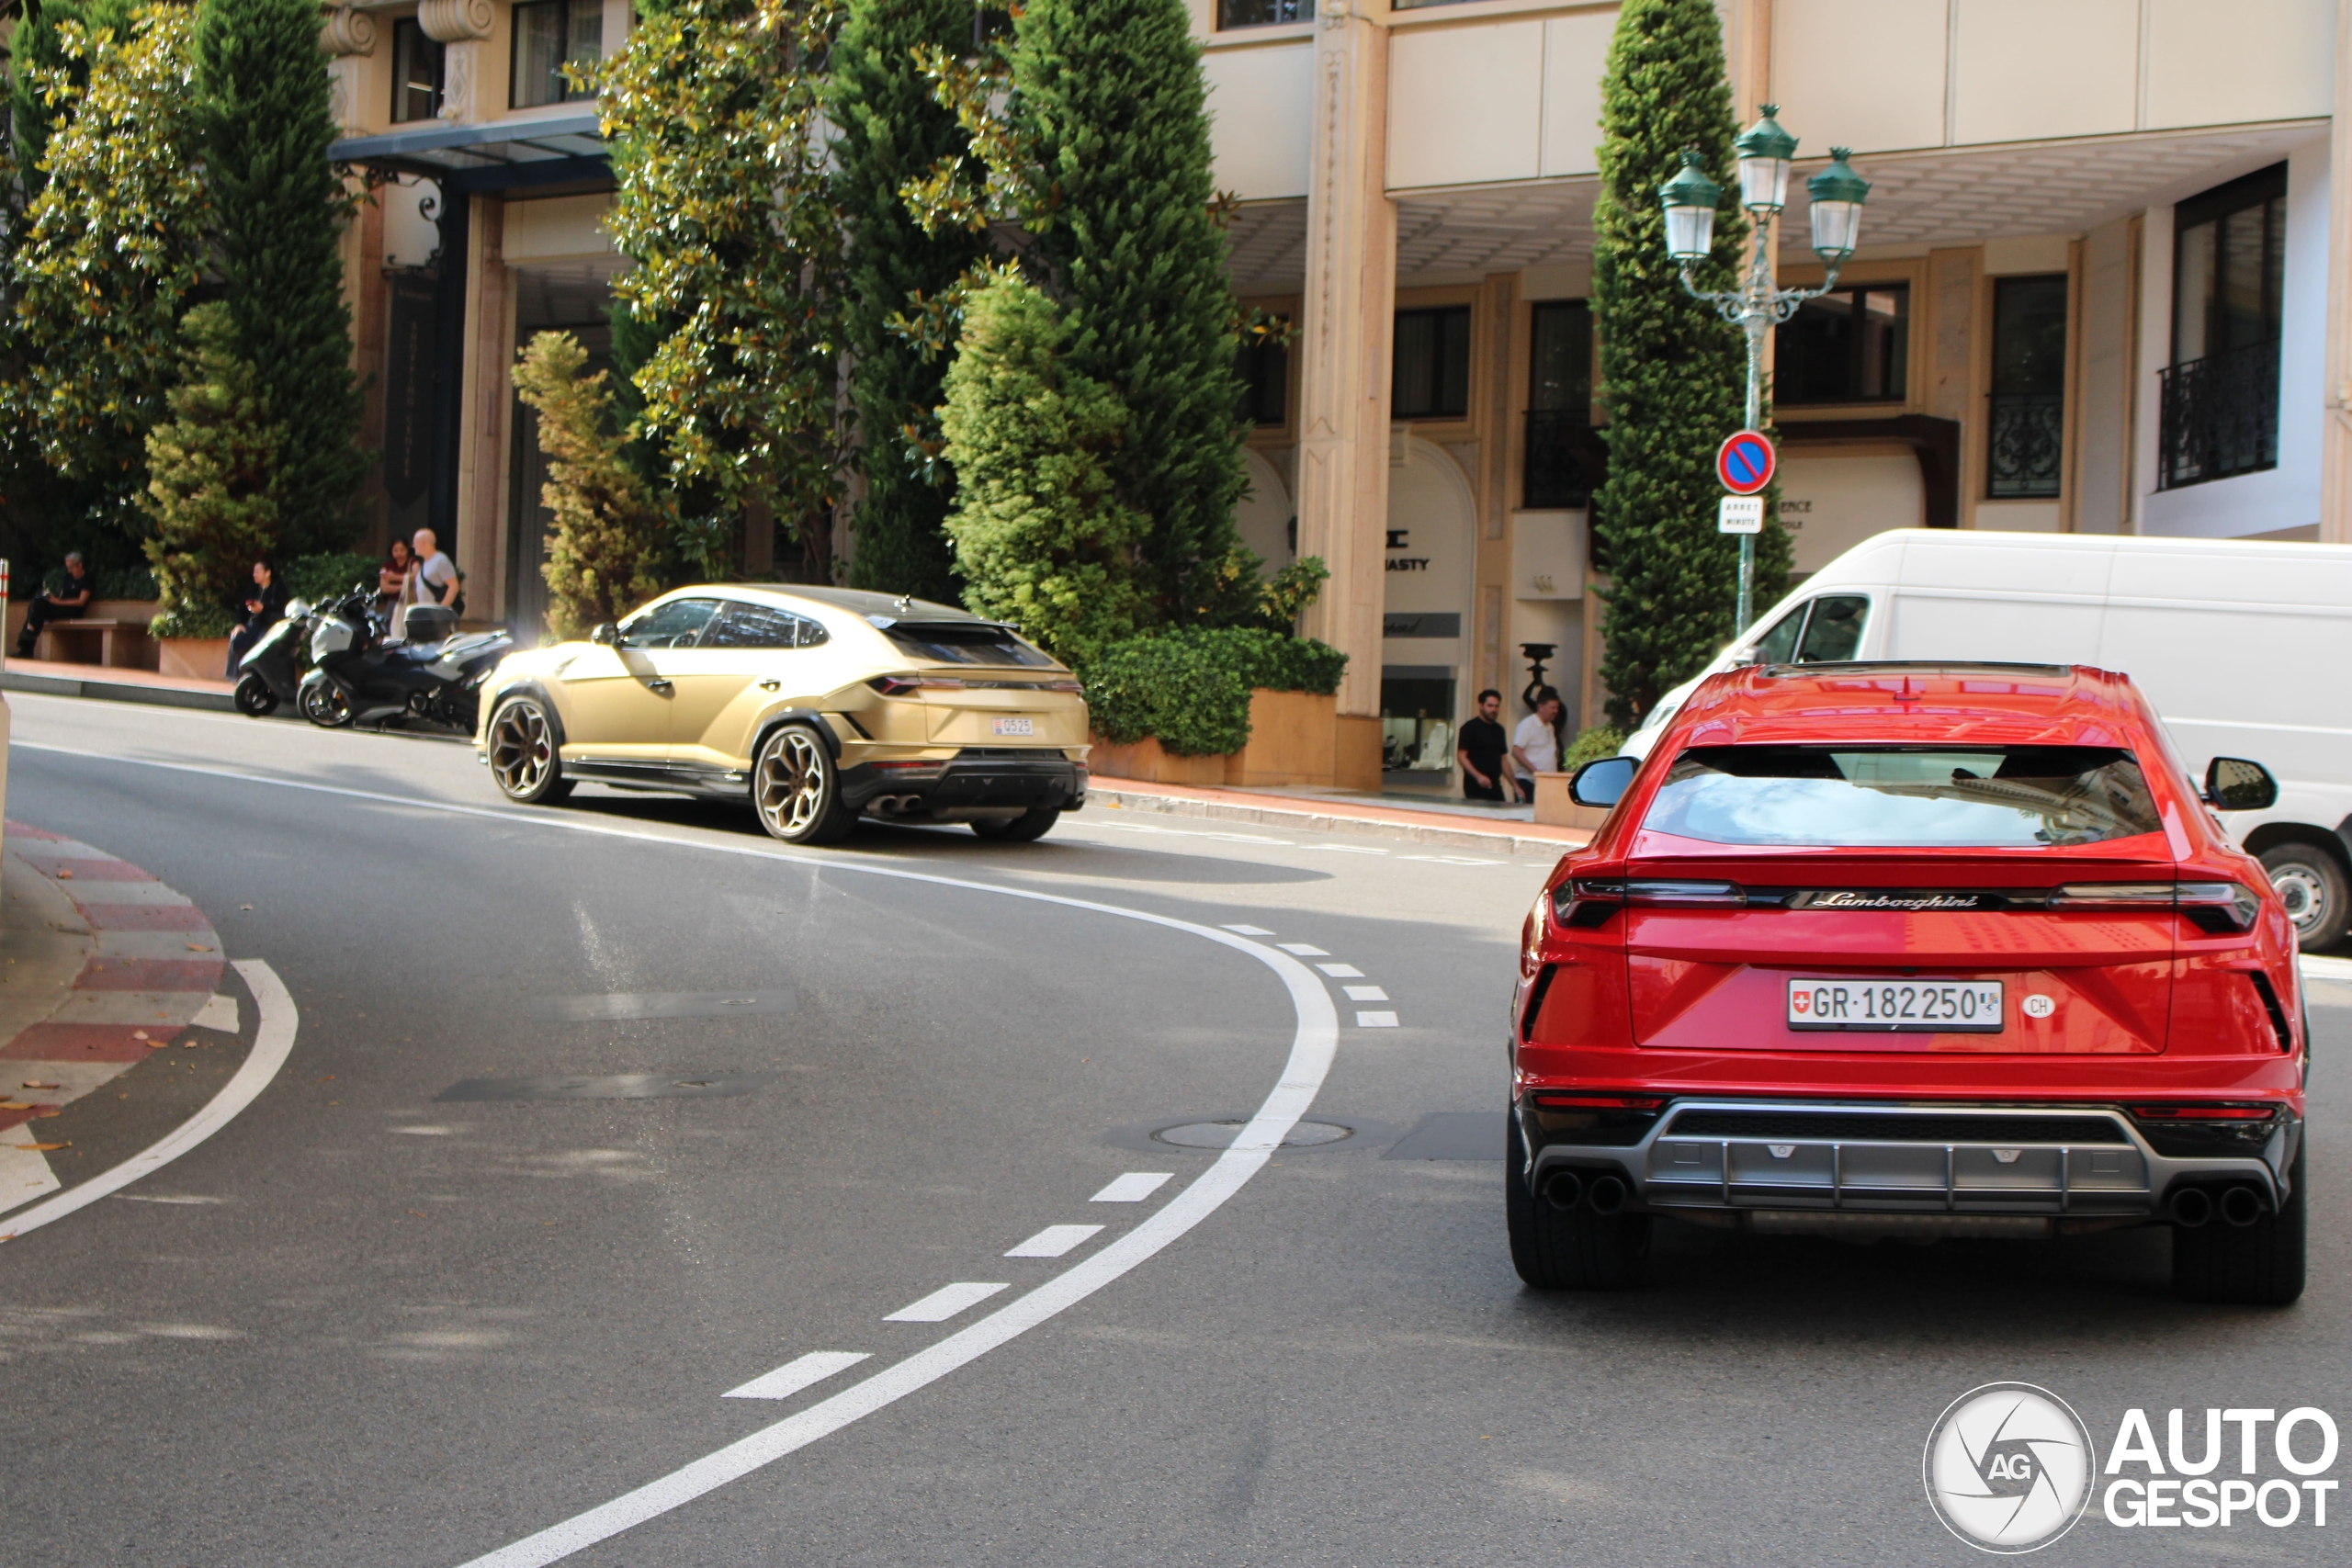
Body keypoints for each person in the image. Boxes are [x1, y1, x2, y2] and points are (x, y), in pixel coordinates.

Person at [15, 551, 94, 659]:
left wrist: (58, 602)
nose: (69, 571)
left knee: (37, 610)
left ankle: (27, 644)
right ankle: (29, 634)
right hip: (61, 607)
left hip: (73, 611)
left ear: (80, 565)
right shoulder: (68, 577)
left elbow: (81, 601)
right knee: (37, 603)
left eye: (71, 568)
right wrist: (52, 598)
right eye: (68, 568)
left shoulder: (87, 579)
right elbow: (62, 596)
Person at [1457, 689, 1519, 804]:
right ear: (1481, 706)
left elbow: (1503, 760)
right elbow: (1461, 756)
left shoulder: (1499, 730)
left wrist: (1515, 785)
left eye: (1496, 706)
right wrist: (1478, 776)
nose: (1493, 710)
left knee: (1501, 811)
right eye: (1490, 706)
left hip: (1495, 784)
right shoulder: (1469, 728)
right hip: (1475, 785)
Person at [227, 559, 287, 676]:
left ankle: (257, 677)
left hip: (269, 627)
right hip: (252, 625)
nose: (254, 574)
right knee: (236, 639)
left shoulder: (278, 588)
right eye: (254, 572)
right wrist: (239, 624)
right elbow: (242, 607)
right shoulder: (253, 589)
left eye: (257, 571)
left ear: (267, 573)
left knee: (259, 646)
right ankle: (236, 676)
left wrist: (263, 608)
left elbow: (282, 607)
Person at [1512, 686, 1566, 800]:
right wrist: (1535, 772)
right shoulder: (1528, 724)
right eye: (1552, 708)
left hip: (1546, 784)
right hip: (1528, 782)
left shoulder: (1550, 727)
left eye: (1557, 708)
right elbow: (1516, 751)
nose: (1556, 711)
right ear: (1541, 707)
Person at [409, 528, 460, 615]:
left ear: (423, 543)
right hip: (426, 615)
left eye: (415, 543)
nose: (413, 546)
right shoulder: (425, 563)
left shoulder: (440, 560)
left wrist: (441, 610)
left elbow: (454, 586)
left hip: (436, 616)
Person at [377, 538, 414, 618]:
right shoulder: (387, 565)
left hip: (410, 602)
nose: (399, 553)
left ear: (407, 550)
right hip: (393, 602)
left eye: (402, 550)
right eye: (396, 550)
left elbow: (415, 576)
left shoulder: (413, 562)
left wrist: (393, 577)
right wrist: (403, 587)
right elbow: (384, 588)